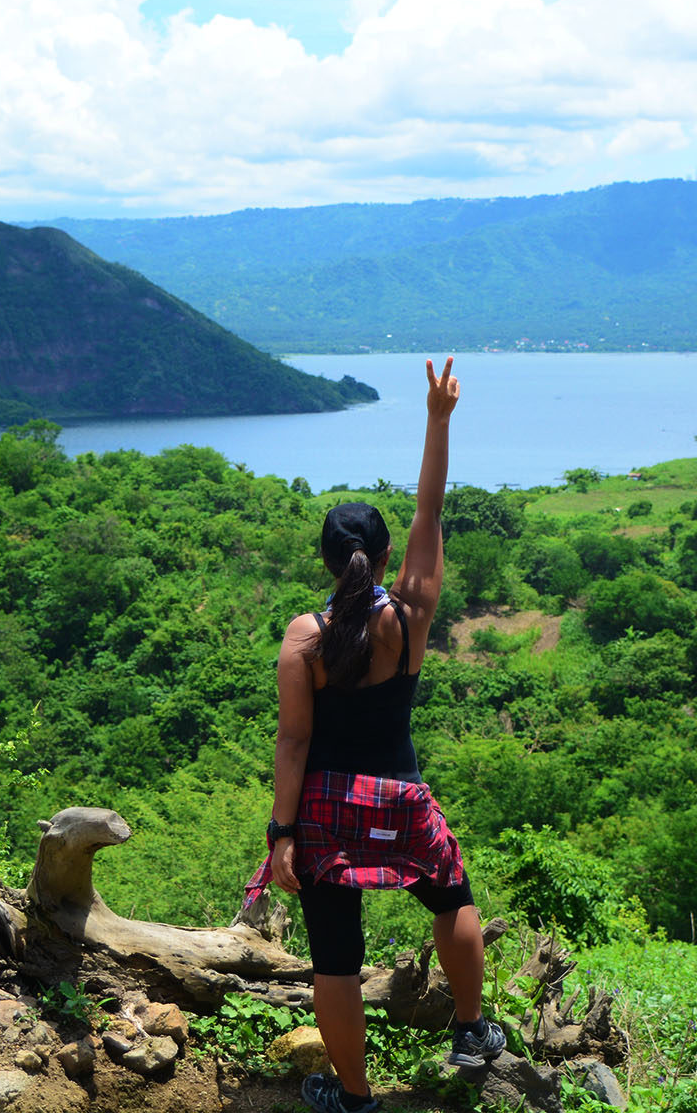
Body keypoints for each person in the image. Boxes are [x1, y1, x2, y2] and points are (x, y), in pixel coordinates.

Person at [240, 357, 504, 1113]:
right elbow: (430, 514)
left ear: (326, 562)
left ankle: (355, 1099)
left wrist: (280, 833)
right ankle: (469, 1028)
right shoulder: (409, 620)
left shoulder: (305, 637)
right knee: (451, 897)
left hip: (322, 807)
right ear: (383, 558)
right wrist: (438, 420)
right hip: (399, 797)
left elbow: (292, 743)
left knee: (336, 959)